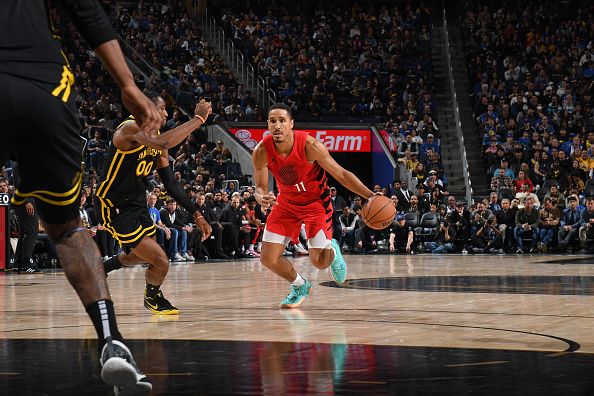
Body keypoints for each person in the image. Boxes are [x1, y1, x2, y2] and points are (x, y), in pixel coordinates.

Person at [0, 1, 164, 393]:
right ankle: (112, 340)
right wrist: (127, 84)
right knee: (68, 229)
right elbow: (87, 13)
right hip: (48, 87)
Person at [99, 97, 212, 316]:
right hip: (114, 204)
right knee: (161, 260)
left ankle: (103, 267)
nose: (167, 115)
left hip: (137, 202)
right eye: (162, 109)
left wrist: (196, 213)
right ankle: (152, 297)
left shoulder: (158, 137)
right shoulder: (129, 129)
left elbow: (169, 182)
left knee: (144, 256)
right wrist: (197, 119)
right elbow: (163, 144)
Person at [252, 103, 374, 308]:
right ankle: (299, 285)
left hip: (316, 203)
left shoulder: (310, 146)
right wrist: (260, 196)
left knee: (319, 262)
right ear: (268, 124)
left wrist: (370, 196)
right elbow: (261, 186)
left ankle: (332, 250)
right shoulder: (261, 150)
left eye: (282, 121)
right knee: (267, 258)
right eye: (273, 121)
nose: (277, 126)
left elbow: (342, 175)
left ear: (291, 124)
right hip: (286, 204)